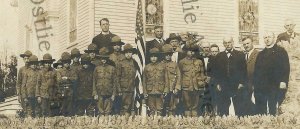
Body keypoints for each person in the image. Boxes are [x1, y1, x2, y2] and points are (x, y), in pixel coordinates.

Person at [253, 31, 290, 115]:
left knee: (273, 109)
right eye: (265, 38)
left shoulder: (281, 51)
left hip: (275, 86)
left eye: (269, 37)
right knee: (261, 109)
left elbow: (285, 68)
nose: (267, 39)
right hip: (262, 86)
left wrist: (283, 81)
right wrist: (255, 85)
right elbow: (257, 71)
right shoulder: (261, 54)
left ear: (273, 38)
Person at [214, 36, 247, 116]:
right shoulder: (219, 56)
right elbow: (216, 72)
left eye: (229, 42)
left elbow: (244, 70)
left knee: (238, 106)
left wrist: (241, 83)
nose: (227, 44)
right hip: (223, 85)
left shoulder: (240, 55)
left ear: (232, 43)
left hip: (236, 84)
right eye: (225, 43)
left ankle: (239, 123)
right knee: (223, 107)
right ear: (223, 44)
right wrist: (217, 83)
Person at [178, 45, 205, 117]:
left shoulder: (199, 62)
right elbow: (179, 75)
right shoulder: (182, 62)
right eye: (190, 51)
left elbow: (202, 73)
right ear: (186, 52)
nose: (192, 53)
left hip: (196, 85)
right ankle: (187, 118)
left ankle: (194, 118)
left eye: (193, 51)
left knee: (196, 103)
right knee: (187, 103)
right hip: (186, 86)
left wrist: (202, 84)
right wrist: (179, 86)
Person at [93, 47, 119, 116]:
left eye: (105, 58)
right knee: (100, 110)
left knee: (108, 111)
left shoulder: (112, 68)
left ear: (107, 59)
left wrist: (113, 94)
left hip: (109, 92)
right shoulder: (97, 69)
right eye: (102, 58)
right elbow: (94, 81)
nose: (103, 60)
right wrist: (95, 93)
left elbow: (114, 82)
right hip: (99, 92)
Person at [143, 48, 167, 116]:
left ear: (158, 57)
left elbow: (166, 79)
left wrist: (165, 89)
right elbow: (144, 80)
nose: (153, 58)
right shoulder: (147, 67)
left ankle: (158, 123)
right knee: (151, 108)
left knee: (159, 108)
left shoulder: (163, 66)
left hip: (160, 90)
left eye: (155, 56)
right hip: (150, 91)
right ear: (150, 57)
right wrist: (145, 92)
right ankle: (151, 123)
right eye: (152, 56)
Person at [116, 44, 138, 116]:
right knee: (123, 105)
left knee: (130, 105)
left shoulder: (135, 63)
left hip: (132, 87)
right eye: (126, 53)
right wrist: (119, 89)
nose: (128, 54)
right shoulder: (120, 63)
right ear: (124, 53)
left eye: (130, 52)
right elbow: (117, 77)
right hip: (123, 88)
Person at [161, 44, 181, 116]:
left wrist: (177, 87)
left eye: (169, 55)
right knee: (162, 105)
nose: (168, 56)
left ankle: (171, 120)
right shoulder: (160, 65)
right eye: (166, 55)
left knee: (172, 105)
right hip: (162, 88)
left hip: (172, 88)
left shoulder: (175, 65)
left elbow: (178, 76)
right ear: (163, 55)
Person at [242, 36, 259, 115]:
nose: (246, 45)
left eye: (248, 43)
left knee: (256, 106)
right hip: (245, 85)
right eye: (244, 44)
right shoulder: (243, 55)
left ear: (252, 43)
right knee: (246, 106)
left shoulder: (258, 54)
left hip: (254, 84)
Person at [56, 52, 78, 116]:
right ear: (62, 62)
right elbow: (59, 80)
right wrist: (68, 80)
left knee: (70, 106)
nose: (67, 63)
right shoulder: (60, 71)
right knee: (63, 106)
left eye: (68, 61)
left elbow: (75, 79)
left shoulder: (72, 70)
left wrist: (67, 78)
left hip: (70, 90)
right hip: (62, 90)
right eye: (65, 62)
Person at [17, 50, 33, 117]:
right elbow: (19, 83)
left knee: (31, 111)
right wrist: (19, 95)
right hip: (23, 94)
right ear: (23, 59)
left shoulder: (33, 69)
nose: (26, 60)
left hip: (31, 94)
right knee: (25, 111)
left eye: (28, 58)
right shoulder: (21, 70)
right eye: (25, 59)